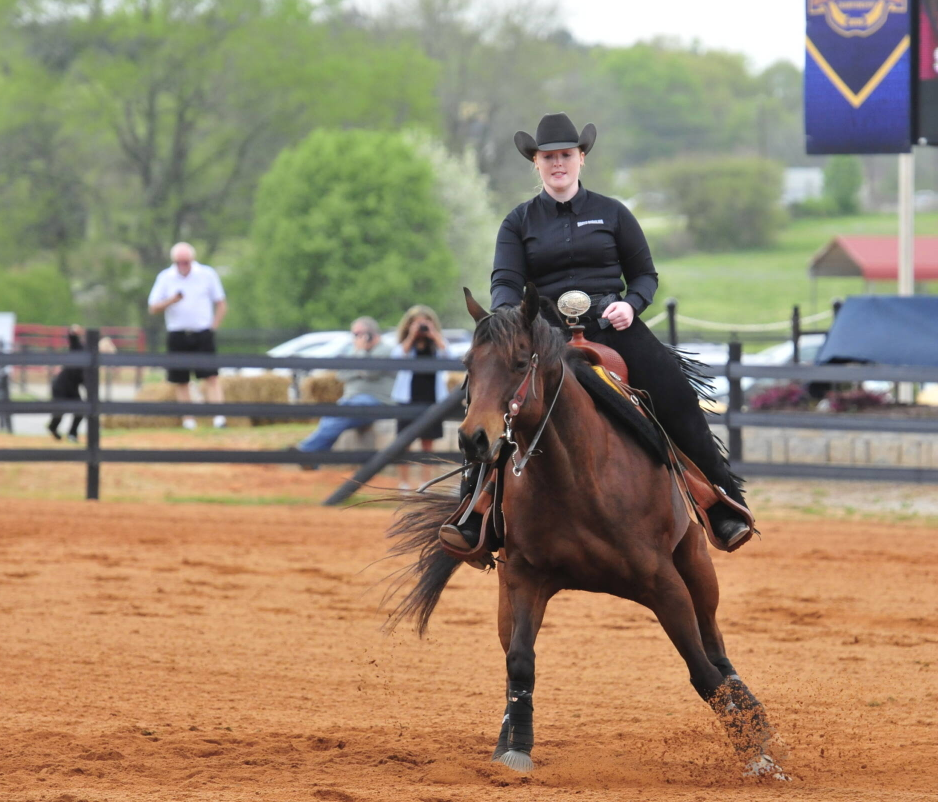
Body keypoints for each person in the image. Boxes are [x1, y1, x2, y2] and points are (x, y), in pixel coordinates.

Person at [440, 112, 752, 553]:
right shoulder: (518, 222)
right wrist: (510, 318)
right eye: (548, 157)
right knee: (490, 401)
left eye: (566, 155)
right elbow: (505, 282)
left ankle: (721, 504)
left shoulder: (613, 213)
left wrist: (632, 304)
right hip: (546, 336)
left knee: (677, 394)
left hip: (613, 327)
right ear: (535, 162)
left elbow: (644, 275)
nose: (558, 163)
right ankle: (474, 514)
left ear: (581, 158)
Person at [290, 316, 394, 468]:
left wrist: (360, 353)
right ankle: (312, 458)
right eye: (354, 335)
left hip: (376, 401)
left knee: (339, 417)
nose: (356, 338)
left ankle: (306, 451)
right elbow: (342, 374)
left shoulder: (385, 350)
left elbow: (370, 372)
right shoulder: (355, 351)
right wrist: (360, 364)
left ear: (371, 333)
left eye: (359, 334)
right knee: (331, 418)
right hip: (352, 399)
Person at [147, 242, 227, 430]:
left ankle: (219, 417)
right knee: (181, 379)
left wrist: (213, 327)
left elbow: (221, 303)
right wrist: (171, 300)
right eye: (179, 262)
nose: (183, 265)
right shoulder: (165, 277)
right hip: (177, 334)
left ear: (192, 259)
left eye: (186, 261)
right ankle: (188, 420)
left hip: (203, 333)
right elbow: (153, 308)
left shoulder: (207, 274)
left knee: (211, 377)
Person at [392, 305, 450, 491]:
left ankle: (426, 483)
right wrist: (411, 336)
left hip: (431, 398)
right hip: (407, 399)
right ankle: (404, 483)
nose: (421, 327)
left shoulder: (437, 344)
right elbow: (397, 357)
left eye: (425, 323)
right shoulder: (404, 344)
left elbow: (449, 355)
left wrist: (434, 335)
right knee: (404, 443)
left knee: (428, 443)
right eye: (417, 323)